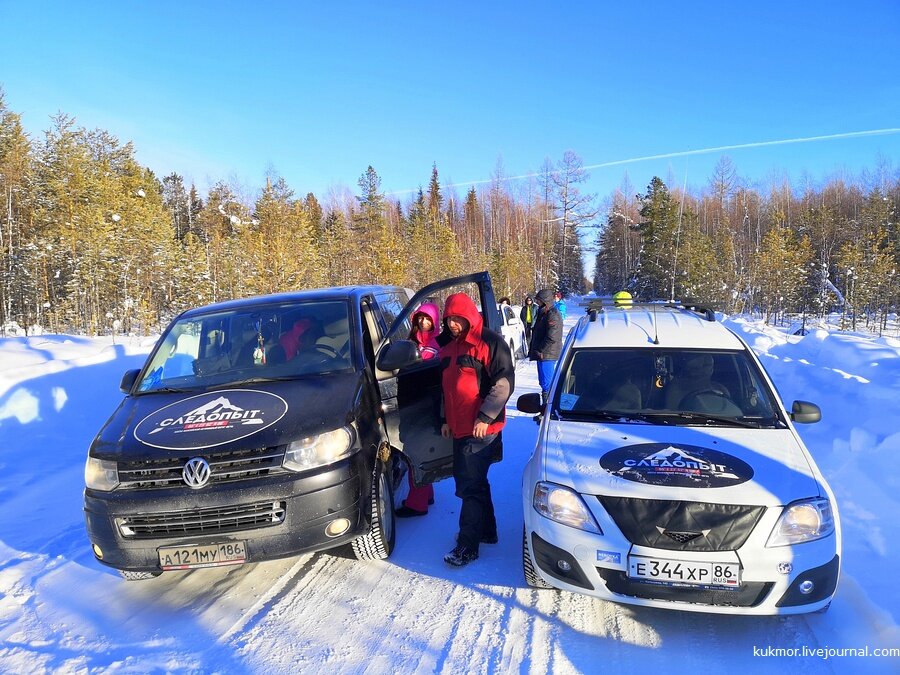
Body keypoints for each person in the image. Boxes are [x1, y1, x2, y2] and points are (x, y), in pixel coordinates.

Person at [439, 293, 515, 567]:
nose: (453, 325)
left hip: (482, 428)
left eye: (457, 319)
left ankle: (467, 545)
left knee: (470, 485)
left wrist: (485, 416)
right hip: (458, 427)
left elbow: (503, 383)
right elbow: (445, 389)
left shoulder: (490, 342)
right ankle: (487, 531)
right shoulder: (450, 347)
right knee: (474, 482)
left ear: (469, 316)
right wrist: (444, 420)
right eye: (449, 319)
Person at [395, 302, 441, 517]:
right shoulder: (411, 342)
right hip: (412, 400)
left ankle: (417, 503)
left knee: (415, 452)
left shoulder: (435, 344)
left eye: (428, 319)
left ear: (435, 321)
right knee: (420, 452)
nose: (423, 322)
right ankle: (427, 492)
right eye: (420, 318)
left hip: (424, 404)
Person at [529, 288, 563, 405]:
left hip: (547, 354)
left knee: (547, 383)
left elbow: (552, 337)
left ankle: (547, 409)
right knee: (543, 382)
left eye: (539, 301)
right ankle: (545, 407)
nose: (537, 303)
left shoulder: (552, 314)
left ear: (545, 301)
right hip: (543, 354)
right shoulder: (544, 312)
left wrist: (540, 350)